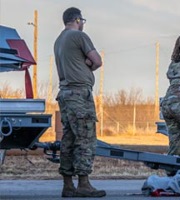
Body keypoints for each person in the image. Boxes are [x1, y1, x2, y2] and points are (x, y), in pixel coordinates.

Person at [54, 7, 106, 198]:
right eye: (82, 20)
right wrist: (88, 65)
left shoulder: (59, 40)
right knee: (85, 138)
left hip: (65, 93)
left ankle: (68, 185)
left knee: (68, 139)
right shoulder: (78, 36)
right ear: (77, 19)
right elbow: (98, 61)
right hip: (79, 94)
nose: (83, 23)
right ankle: (84, 183)